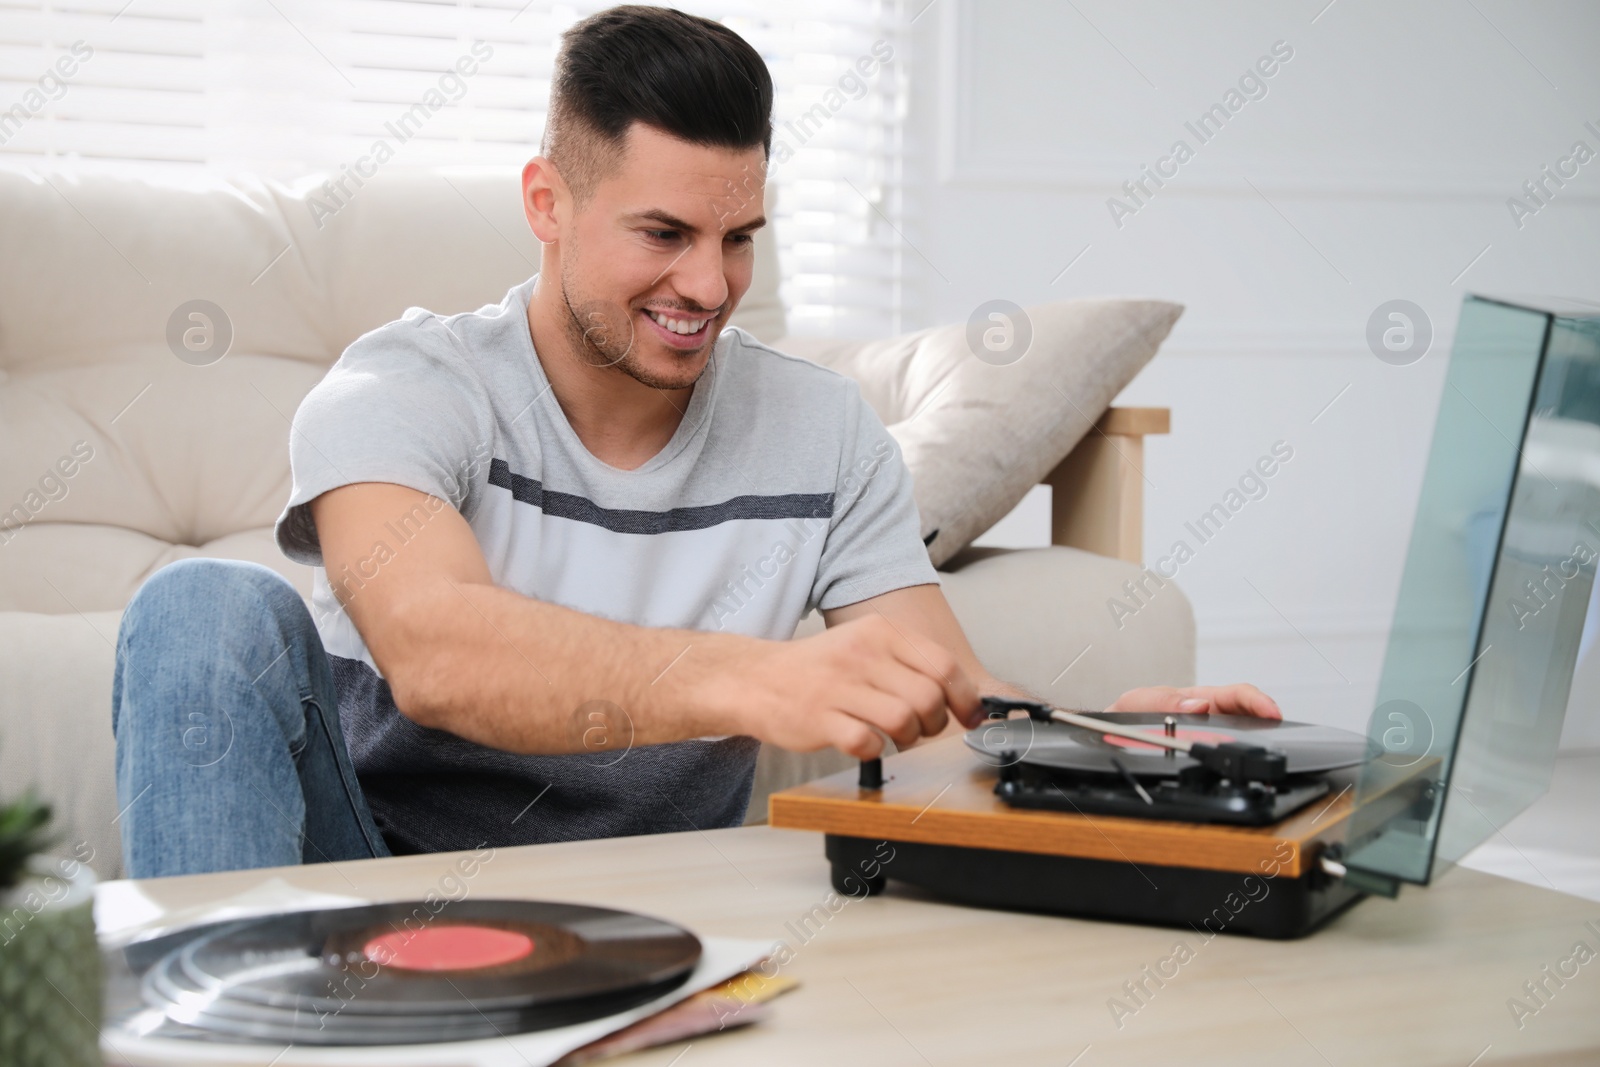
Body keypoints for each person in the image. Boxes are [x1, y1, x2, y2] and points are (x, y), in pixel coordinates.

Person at [111, 5, 1277, 879]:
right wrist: (760, 677)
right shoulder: (405, 386)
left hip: (654, 912)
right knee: (199, 604)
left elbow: (945, 694)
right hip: (370, 886)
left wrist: (1132, 746)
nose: (709, 284)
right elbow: (438, 651)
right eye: (662, 232)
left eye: (739, 237)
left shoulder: (819, 429)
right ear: (546, 203)